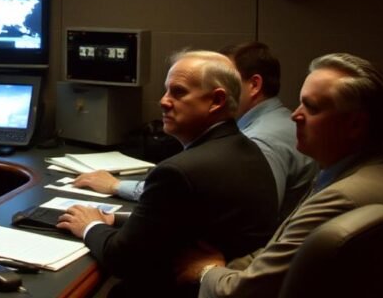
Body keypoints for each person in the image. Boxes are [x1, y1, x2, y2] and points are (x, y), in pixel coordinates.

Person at [176, 53, 383, 298]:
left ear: (355, 125)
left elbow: (244, 294)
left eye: (311, 108)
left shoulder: (341, 199)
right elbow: (277, 251)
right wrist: (227, 268)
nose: (295, 115)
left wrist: (207, 271)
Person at [57, 50, 277, 298]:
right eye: (166, 90)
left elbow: (122, 259)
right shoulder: (246, 150)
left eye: (178, 92)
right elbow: (187, 225)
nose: (163, 101)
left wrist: (90, 225)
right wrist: (115, 220)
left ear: (216, 101)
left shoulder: (178, 172)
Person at [71, 43, 317, 224]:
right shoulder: (272, 122)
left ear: (253, 85)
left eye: (227, 77)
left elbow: (249, 218)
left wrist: (115, 186)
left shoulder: (260, 141)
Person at [219, 42, 317, 222]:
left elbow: (253, 222)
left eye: (225, 81)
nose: (215, 90)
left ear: (254, 84)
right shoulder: (284, 120)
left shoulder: (258, 141)